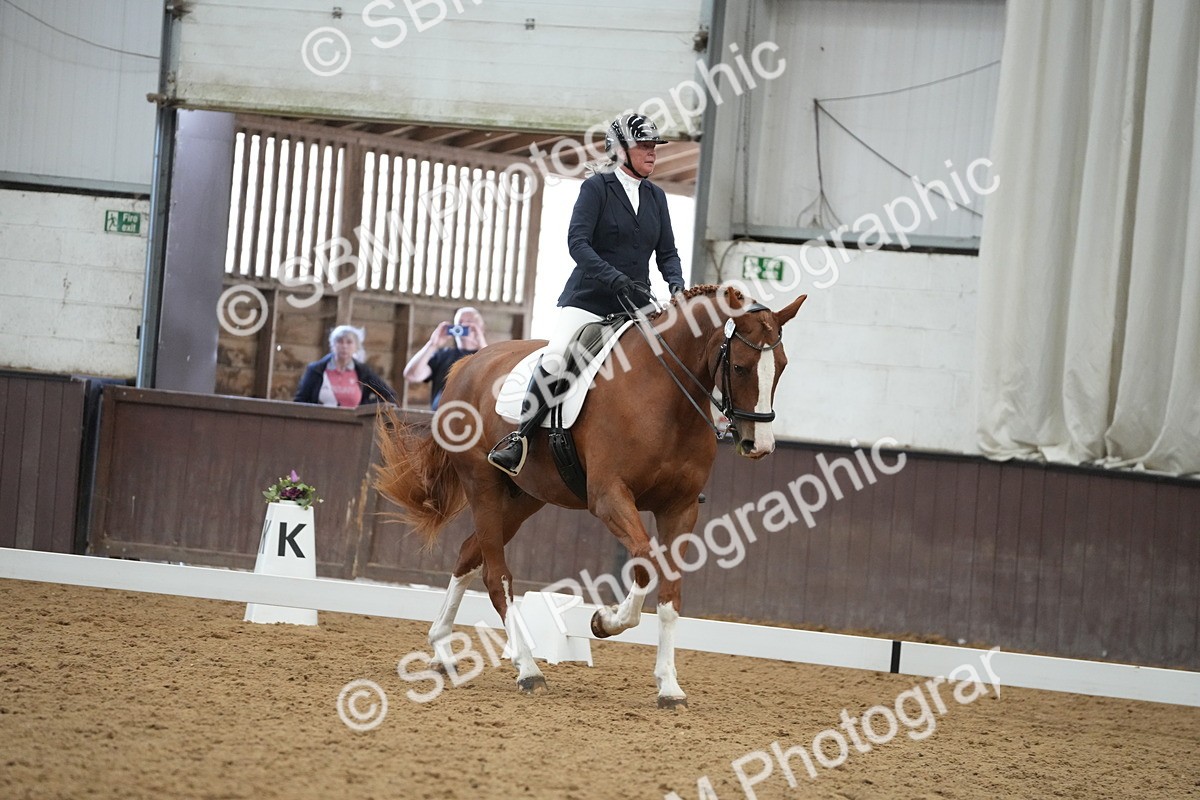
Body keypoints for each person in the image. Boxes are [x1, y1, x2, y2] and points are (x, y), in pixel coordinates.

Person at [487, 113, 686, 476]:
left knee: (671, 360)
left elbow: (667, 253)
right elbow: (578, 244)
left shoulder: (656, 197)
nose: (652, 153)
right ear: (621, 150)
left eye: (653, 146)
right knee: (556, 358)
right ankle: (520, 439)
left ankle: (669, 464)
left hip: (637, 304)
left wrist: (676, 286)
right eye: (644, 146)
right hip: (590, 299)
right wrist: (615, 279)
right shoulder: (596, 188)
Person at [403, 307, 489, 409]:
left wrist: (481, 343)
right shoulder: (443, 355)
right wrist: (432, 344)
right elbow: (412, 375)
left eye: (469, 323)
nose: (463, 326)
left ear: (481, 328)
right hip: (442, 418)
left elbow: (495, 374)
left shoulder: (488, 356)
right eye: (460, 322)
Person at [294, 324, 397, 407]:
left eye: (349, 342)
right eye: (340, 342)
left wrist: (365, 408)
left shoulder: (363, 372)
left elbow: (390, 395)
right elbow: (299, 401)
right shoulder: (315, 370)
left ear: (356, 347)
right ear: (332, 345)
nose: (344, 346)